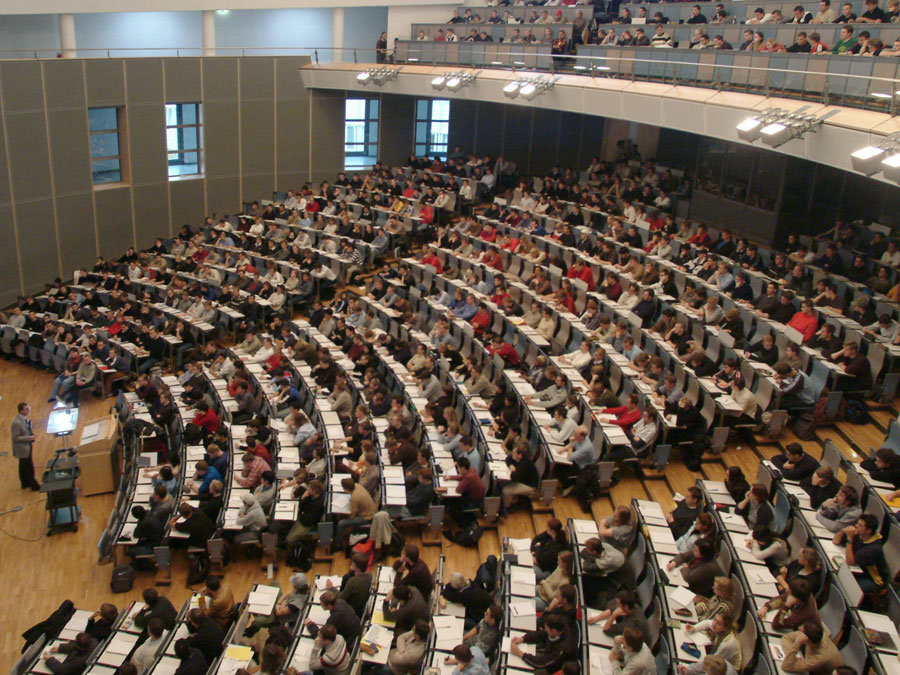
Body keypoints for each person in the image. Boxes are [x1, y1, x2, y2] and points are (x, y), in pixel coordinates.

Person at [834, 514, 889, 599]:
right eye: (857, 523)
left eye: (860, 525)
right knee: (838, 576)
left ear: (868, 530)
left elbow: (850, 561)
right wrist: (843, 531)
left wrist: (850, 538)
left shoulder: (873, 549)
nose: (856, 526)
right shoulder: (859, 535)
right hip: (860, 570)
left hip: (873, 580)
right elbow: (836, 541)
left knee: (846, 588)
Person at [509, 615, 578, 673]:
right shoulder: (559, 628)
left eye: (546, 628)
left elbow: (542, 663)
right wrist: (523, 638)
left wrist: (520, 653)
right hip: (547, 656)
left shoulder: (563, 649)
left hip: (551, 668)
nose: (545, 630)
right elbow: (541, 634)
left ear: (553, 631)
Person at [11, 402, 40, 491]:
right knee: (28, 467)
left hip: (26, 446)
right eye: (26, 409)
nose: (29, 410)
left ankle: (25, 483)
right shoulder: (17, 423)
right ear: (21, 411)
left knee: (23, 466)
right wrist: (29, 438)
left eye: (29, 408)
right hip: (22, 448)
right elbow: (15, 438)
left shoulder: (23, 419)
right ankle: (34, 486)